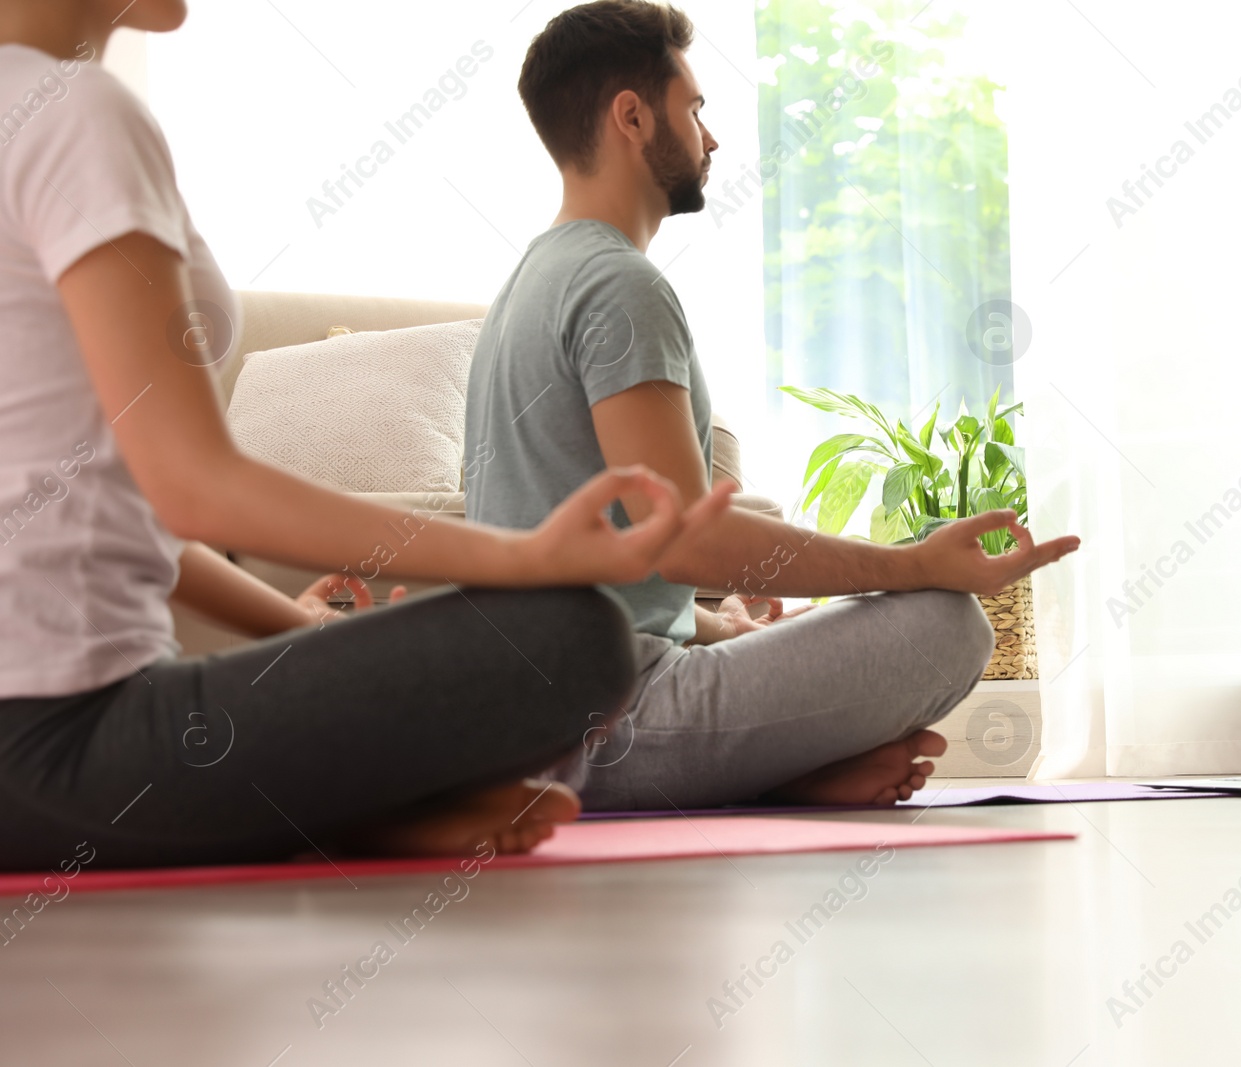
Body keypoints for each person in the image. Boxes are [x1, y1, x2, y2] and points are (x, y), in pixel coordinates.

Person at [0, 0, 729, 872]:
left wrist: (310, 640)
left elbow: (121, 517)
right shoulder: (74, 112)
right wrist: (529, 557)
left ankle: (357, 808)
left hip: (45, 744)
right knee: (575, 637)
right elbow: (191, 485)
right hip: (65, 747)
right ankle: (361, 811)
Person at [464, 0, 1081, 812]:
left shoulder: (529, 283)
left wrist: (729, 633)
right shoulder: (618, 284)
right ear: (632, 115)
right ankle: (780, 774)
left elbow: (621, 567)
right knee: (949, 623)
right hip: (604, 724)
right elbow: (689, 539)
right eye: (695, 109)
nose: (711, 138)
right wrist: (912, 565)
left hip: (538, 712)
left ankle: (791, 772)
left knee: (794, 628)